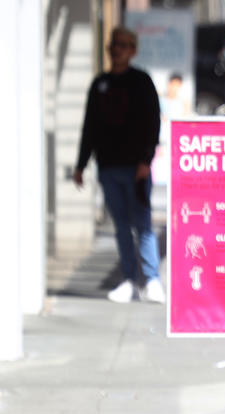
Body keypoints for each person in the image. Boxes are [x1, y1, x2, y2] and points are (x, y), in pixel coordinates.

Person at [73, 26, 164, 304]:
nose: (117, 49)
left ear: (133, 50)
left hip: (136, 167)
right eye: (114, 45)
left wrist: (146, 160)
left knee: (143, 224)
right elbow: (89, 126)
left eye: (124, 45)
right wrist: (81, 164)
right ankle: (129, 280)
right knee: (121, 226)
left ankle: (152, 280)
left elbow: (153, 122)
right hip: (108, 166)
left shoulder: (141, 81)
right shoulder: (99, 84)